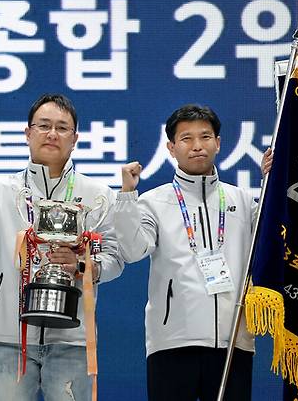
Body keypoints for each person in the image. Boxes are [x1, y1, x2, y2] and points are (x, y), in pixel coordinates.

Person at [0, 93, 124, 401]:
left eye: (62, 127)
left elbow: (115, 259)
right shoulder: (3, 190)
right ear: (28, 134)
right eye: (43, 126)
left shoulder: (98, 196)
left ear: (75, 138)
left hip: (72, 336)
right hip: (10, 335)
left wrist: (81, 265)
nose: (52, 134)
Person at [113, 104, 272, 401]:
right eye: (186, 139)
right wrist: (126, 196)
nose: (197, 146)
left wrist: (271, 184)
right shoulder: (152, 202)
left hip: (232, 342)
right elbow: (132, 250)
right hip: (172, 342)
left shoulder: (242, 200)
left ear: (219, 143)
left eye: (205, 137)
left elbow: (272, 241)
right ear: (171, 148)